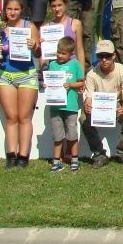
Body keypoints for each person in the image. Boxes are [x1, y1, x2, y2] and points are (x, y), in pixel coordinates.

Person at [0, 0, 41, 168]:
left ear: (22, 10)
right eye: (9, 9)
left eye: (16, 9)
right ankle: (11, 155)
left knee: (24, 117)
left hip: (26, 74)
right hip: (6, 75)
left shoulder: (29, 26)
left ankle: (23, 156)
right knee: (11, 117)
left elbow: (38, 54)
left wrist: (35, 46)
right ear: (4, 10)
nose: (12, 12)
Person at [81, 39, 123, 168]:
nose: (104, 59)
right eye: (101, 56)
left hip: (117, 104)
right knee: (83, 118)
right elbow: (88, 98)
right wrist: (87, 105)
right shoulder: (91, 74)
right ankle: (99, 155)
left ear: (114, 56)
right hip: (98, 107)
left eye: (107, 56)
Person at [45, 36, 85, 173]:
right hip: (55, 106)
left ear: (71, 54)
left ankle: (75, 159)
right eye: (58, 52)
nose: (59, 55)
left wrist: (71, 85)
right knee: (57, 135)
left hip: (71, 106)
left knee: (72, 134)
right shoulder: (52, 65)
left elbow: (81, 82)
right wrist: (47, 84)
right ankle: (56, 162)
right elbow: (49, 81)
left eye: (63, 53)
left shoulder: (75, 65)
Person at [44, 0, 86, 71]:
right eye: (53, 6)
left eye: (60, 5)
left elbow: (80, 50)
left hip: (72, 68)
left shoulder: (75, 24)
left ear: (66, 4)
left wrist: (81, 73)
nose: (57, 9)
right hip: (55, 68)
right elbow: (42, 56)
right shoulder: (47, 28)